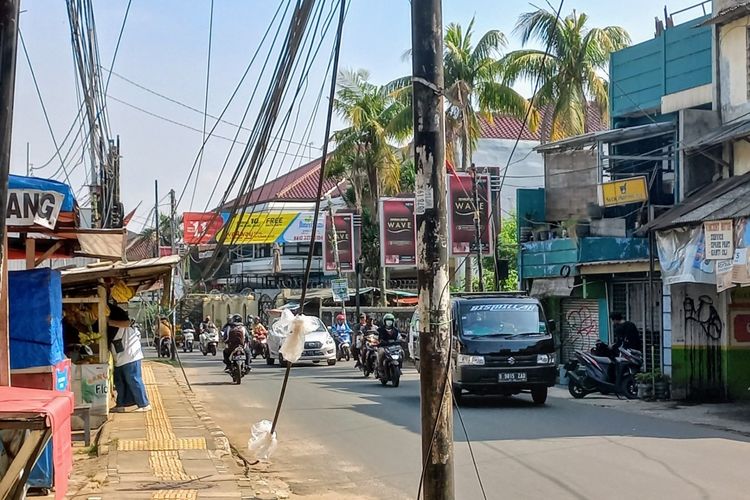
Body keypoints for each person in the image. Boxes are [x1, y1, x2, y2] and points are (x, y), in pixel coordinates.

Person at [109, 304, 151, 412]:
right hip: (118, 356)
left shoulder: (122, 321)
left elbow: (127, 323)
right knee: (120, 381)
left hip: (131, 355)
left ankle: (144, 404)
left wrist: (108, 322)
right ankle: (121, 404)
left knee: (133, 379)